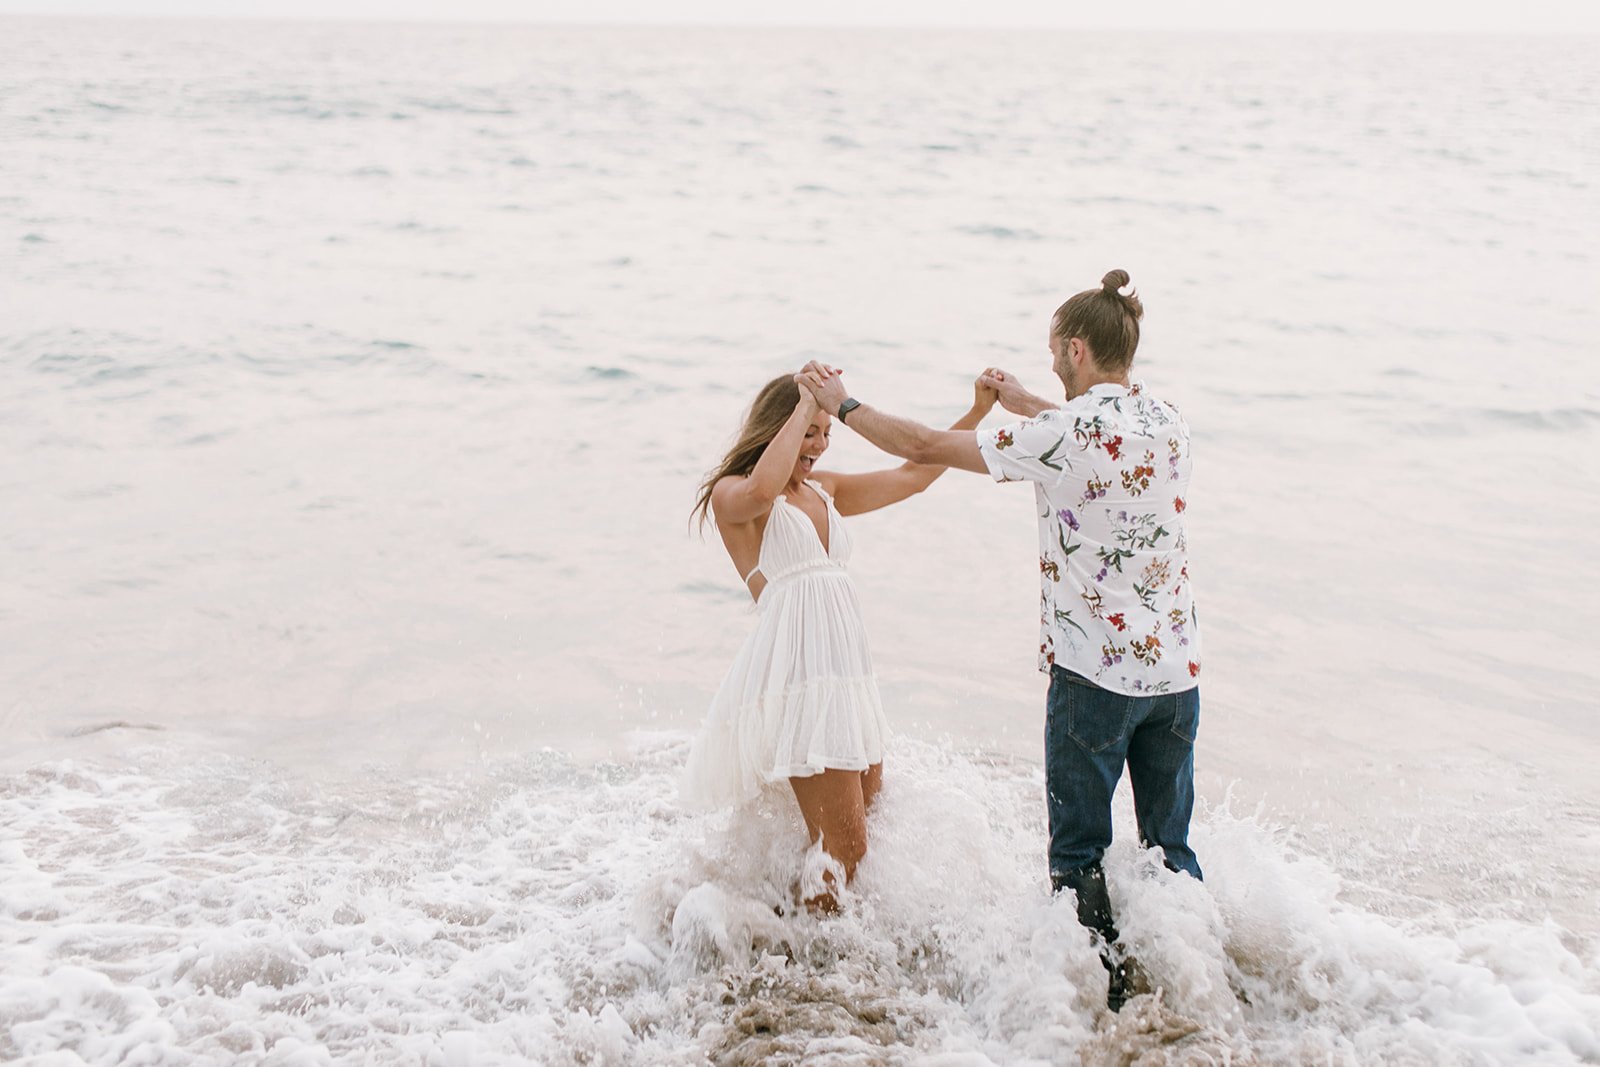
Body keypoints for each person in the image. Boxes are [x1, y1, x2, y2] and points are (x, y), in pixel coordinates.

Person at [794, 270, 1202, 1010]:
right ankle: (1191, 993)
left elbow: (923, 443)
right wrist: (1023, 402)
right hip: (1175, 681)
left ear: (1077, 349)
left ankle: (1101, 1007)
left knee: (1078, 856)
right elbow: (1095, 435)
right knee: (1167, 853)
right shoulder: (1166, 420)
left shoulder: (1063, 433)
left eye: (1055, 354)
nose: (1052, 366)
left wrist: (840, 404)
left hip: (1094, 685)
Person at [684, 371, 997, 913]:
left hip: (846, 679)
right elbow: (763, 487)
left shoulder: (824, 489)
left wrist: (976, 414)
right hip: (802, 682)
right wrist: (805, 401)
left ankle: (788, 934)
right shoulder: (734, 495)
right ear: (781, 426)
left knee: (853, 837)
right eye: (810, 431)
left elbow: (911, 477)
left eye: (826, 432)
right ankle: (810, 968)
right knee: (847, 847)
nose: (820, 444)